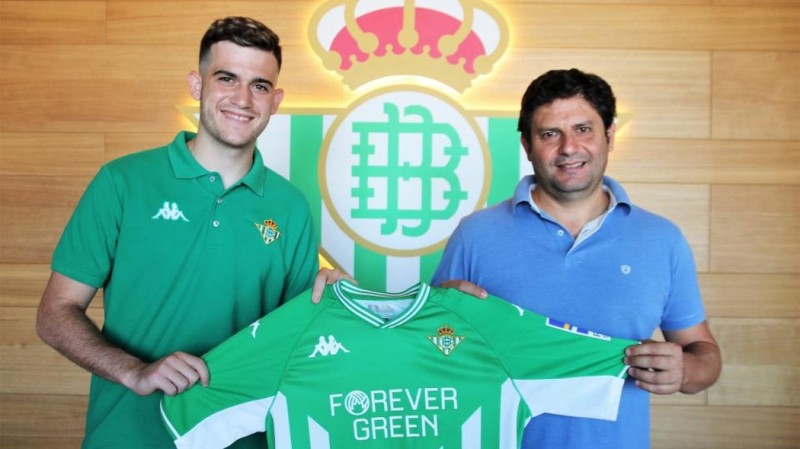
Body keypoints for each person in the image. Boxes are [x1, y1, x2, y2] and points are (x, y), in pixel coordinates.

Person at [36, 17, 322, 448]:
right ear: (196, 84)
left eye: (259, 85)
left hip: (244, 439)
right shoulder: (123, 182)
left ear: (276, 100)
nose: (243, 99)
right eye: (227, 78)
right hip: (127, 436)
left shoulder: (291, 207)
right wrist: (134, 371)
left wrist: (334, 305)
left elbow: (298, 343)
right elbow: (55, 314)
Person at [431, 68, 722, 448]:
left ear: (610, 135)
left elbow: (705, 354)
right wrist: (442, 318)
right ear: (526, 145)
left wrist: (687, 371)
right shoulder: (476, 234)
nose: (569, 147)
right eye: (550, 134)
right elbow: (431, 356)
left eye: (583, 129)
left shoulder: (662, 239)